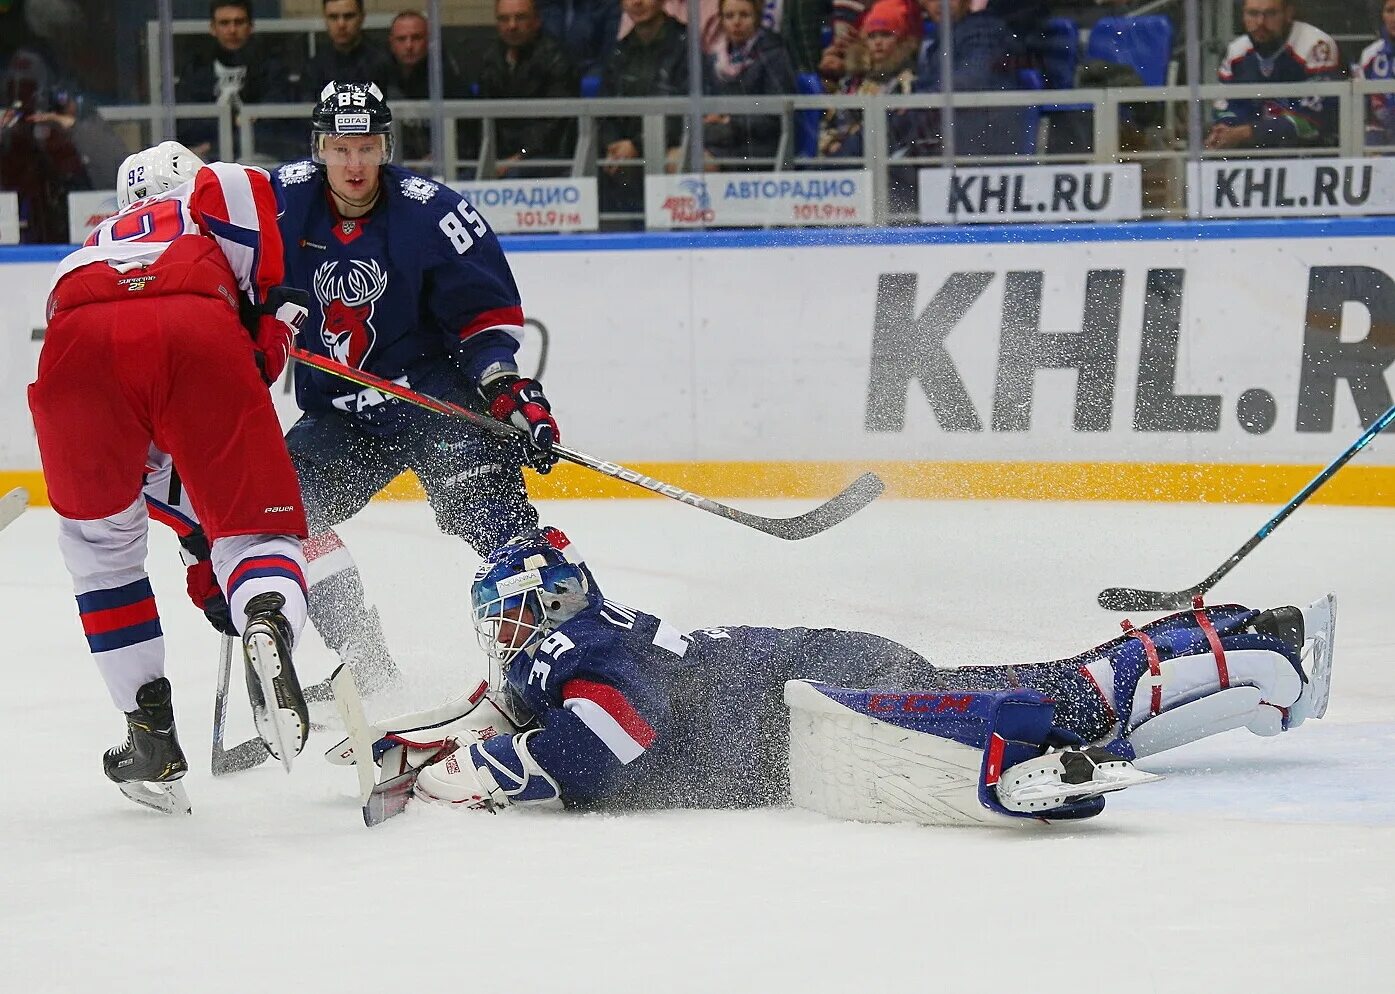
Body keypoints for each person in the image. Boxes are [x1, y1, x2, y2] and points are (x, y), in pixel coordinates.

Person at [327, 527, 1335, 826]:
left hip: (825, 689)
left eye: (507, 616)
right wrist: (432, 740)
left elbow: (605, 745)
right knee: (1064, 686)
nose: (499, 637)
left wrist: (486, 769)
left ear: (545, 609)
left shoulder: (584, 648)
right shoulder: (592, 631)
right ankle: (1246, 640)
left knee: (1044, 707)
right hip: (825, 668)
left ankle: (1251, 650)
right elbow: (516, 707)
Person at [27, 141, 314, 814]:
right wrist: (273, 328)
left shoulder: (86, 250)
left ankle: (147, 729)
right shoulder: (216, 201)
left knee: (101, 554)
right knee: (254, 531)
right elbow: (257, 328)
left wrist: (194, 552)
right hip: (191, 320)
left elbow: (152, 464)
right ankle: (266, 616)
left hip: (75, 343)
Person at [271, 82, 560, 707]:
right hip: (341, 414)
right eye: (341, 148)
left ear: (386, 147)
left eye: (367, 147)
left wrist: (505, 389)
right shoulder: (278, 204)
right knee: (284, 513)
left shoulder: (432, 214)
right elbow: (225, 268)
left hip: (434, 401)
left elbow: (483, 321)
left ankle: (553, 661)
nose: (354, 164)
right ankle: (364, 662)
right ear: (319, 148)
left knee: (500, 528)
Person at [174, 1, 305, 162]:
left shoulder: (272, 67)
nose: (232, 30)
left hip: (258, 160)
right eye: (224, 23)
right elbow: (185, 123)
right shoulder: (196, 69)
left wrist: (215, 143)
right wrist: (236, 122)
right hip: (204, 162)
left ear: (251, 26)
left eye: (239, 22)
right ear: (212, 28)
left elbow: (276, 125)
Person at [1207, 0, 1340, 151]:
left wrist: (1247, 132)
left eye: (1270, 14)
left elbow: (1312, 123)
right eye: (1252, 13)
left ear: (1288, 13)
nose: (1260, 22)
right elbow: (1225, 108)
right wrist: (1225, 129)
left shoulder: (1316, 45)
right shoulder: (1236, 50)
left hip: (1313, 153)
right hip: (1257, 151)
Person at [598, 0, 689, 217]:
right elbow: (604, 109)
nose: (636, 2)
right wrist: (613, 143)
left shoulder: (685, 45)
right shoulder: (620, 51)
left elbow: (684, 113)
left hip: (668, 147)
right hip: (625, 151)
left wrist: (637, 144)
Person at [476, 0, 580, 178]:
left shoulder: (557, 58)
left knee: (514, 175)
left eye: (520, 18)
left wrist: (520, 155)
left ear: (537, 21)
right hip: (502, 156)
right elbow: (483, 121)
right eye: (504, 19)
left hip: (547, 155)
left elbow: (553, 125)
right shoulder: (490, 59)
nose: (512, 26)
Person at [915, 0, 1024, 158]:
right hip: (945, 138)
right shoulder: (938, 39)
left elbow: (972, 77)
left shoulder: (984, 29)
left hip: (982, 143)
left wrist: (920, 100)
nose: (941, 4)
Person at [701, 0, 796, 169]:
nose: (736, 22)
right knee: (677, 158)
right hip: (721, 141)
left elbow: (778, 117)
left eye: (744, 15)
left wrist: (730, 120)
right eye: (729, 16)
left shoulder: (773, 54)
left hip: (760, 147)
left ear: (757, 18)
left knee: (699, 164)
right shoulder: (713, 58)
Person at [382, 10, 471, 164]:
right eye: (402, 39)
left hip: (441, 166)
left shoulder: (446, 80)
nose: (409, 45)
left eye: (416, 38)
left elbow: (466, 136)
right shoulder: (380, 78)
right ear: (392, 42)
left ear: (430, 41)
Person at [304, 0, 395, 94]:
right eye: (333, 17)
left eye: (349, 16)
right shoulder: (314, 68)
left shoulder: (383, 63)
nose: (341, 24)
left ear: (362, 18)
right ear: (325, 20)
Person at [538, 0, 622, 77]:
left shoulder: (608, 6)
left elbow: (608, 52)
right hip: (547, 74)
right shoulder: (540, 6)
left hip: (593, 76)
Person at [1358, 0, 1395, 147]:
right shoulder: (1370, 55)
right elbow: (1363, 107)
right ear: (1382, 15)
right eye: (1390, 11)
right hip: (1380, 134)